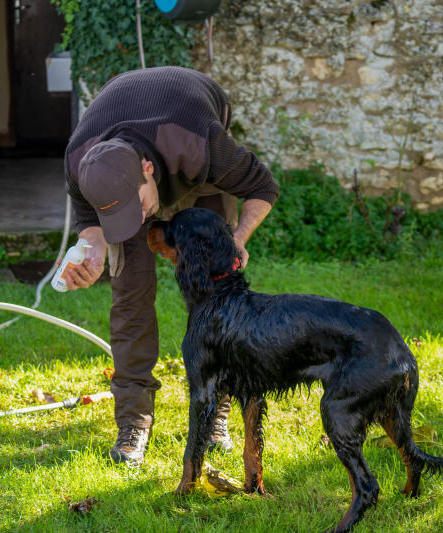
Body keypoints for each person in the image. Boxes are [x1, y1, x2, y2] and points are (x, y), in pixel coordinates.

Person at [62, 66, 279, 465]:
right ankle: (133, 423)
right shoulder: (85, 164)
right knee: (130, 296)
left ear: (146, 168)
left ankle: (217, 412)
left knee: (217, 294)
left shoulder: (201, 143)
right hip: (129, 160)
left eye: (137, 205)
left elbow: (263, 187)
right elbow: (90, 229)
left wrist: (238, 237)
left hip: (191, 137)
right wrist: (89, 254)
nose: (139, 220)